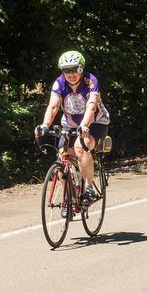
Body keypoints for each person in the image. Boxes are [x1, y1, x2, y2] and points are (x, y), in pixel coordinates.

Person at [36, 50, 110, 205]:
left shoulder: (90, 80)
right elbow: (53, 106)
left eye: (74, 69)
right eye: (65, 70)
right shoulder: (59, 83)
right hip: (69, 124)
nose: (70, 74)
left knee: (80, 147)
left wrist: (84, 125)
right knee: (62, 156)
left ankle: (88, 188)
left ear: (81, 68)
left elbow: (91, 106)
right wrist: (45, 125)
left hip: (96, 122)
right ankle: (69, 197)